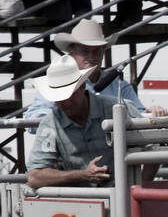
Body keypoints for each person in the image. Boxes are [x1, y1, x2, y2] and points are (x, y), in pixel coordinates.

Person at [27, 54, 151, 188]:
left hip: (111, 198)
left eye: (69, 95)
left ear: (82, 87)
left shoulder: (121, 108)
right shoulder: (50, 124)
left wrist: (138, 190)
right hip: (84, 203)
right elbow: (34, 177)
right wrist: (82, 175)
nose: (65, 102)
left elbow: (151, 150)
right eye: (58, 97)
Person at [26, 18, 166, 123]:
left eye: (96, 52)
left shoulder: (119, 85)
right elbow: (33, 119)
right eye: (85, 51)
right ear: (72, 53)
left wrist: (151, 111)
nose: (91, 57)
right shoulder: (58, 81)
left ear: (103, 53)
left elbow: (139, 114)